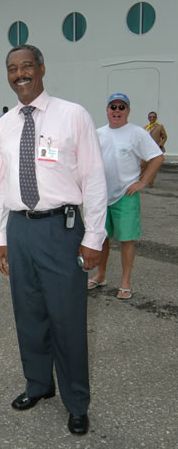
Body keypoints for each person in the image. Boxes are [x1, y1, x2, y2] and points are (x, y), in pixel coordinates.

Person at [0, 45, 107, 435]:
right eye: (12, 69)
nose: (19, 74)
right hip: (20, 228)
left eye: (26, 66)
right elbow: (0, 185)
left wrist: (93, 235)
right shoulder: (3, 126)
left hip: (61, 228)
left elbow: (92, 177)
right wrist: (1, 237)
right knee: (28, 314)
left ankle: (77, 401)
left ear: (41, 69)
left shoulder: (73, 115)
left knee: (67, 319)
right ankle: (38, 384)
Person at [88, 93, 164, 300]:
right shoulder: (98, 133)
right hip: (102, 197)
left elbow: (157, 157)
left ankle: (125, 282)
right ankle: (100, 275)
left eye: (122, 107)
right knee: (101, 239)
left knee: (126, 240)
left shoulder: (137, 133)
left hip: (125, 195)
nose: (117, 111)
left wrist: (143, 181)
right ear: (107, 110)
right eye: (113, 107)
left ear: (128, 111)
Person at [141, 110, 167, 187]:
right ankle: (141, 181)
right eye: (150, 117)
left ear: (156, 118)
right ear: (148, 118)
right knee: (143, 165)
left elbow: (164, 137)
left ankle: (150, 183)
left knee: (153, 167)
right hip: (146, 150)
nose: (152, 118)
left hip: (155, 150)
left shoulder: (160, 127)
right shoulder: (145, 127)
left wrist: (160, 145)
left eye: (153, 117)